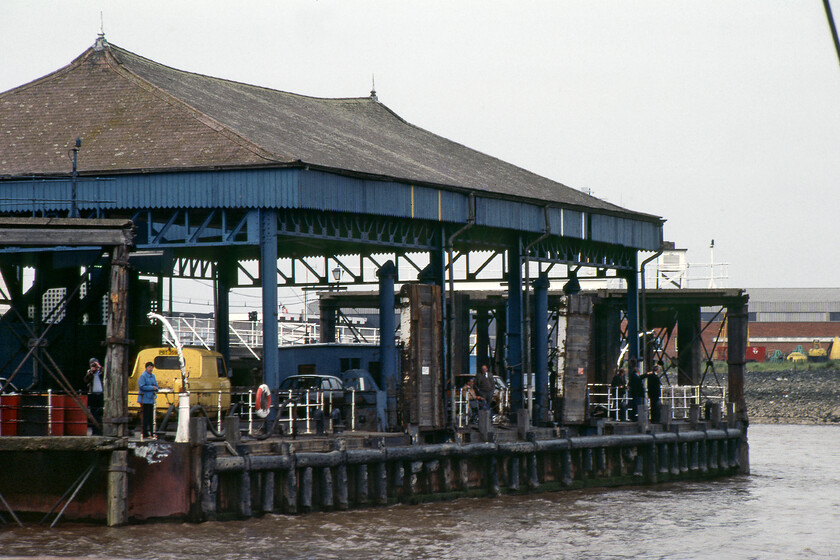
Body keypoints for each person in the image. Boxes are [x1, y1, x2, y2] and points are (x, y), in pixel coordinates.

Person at [138, 361, 159, 440]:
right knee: (146, 416)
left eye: (152, 367)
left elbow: (156, 385)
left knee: (151, 417)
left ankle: (152, 433)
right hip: (145, 399)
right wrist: (152, 388)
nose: (151, 369)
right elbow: (142, 386)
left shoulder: (153, 376)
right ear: (146, 368)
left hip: (151, 399)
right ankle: (145, 433)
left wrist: (156, 389)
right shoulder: (143, 376)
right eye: (149, 367)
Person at [83, 357, 105, 435]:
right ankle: (94, 431)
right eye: (92, 364)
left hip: (101, 394)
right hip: (92, 395)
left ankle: (101, 431)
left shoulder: (101, 371)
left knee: (100, 413)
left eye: (95, 363)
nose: (94, 365)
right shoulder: (89, 372)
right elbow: (86, 380)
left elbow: (105, 374)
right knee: (93, 413)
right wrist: (92, 372)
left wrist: (99, 368)